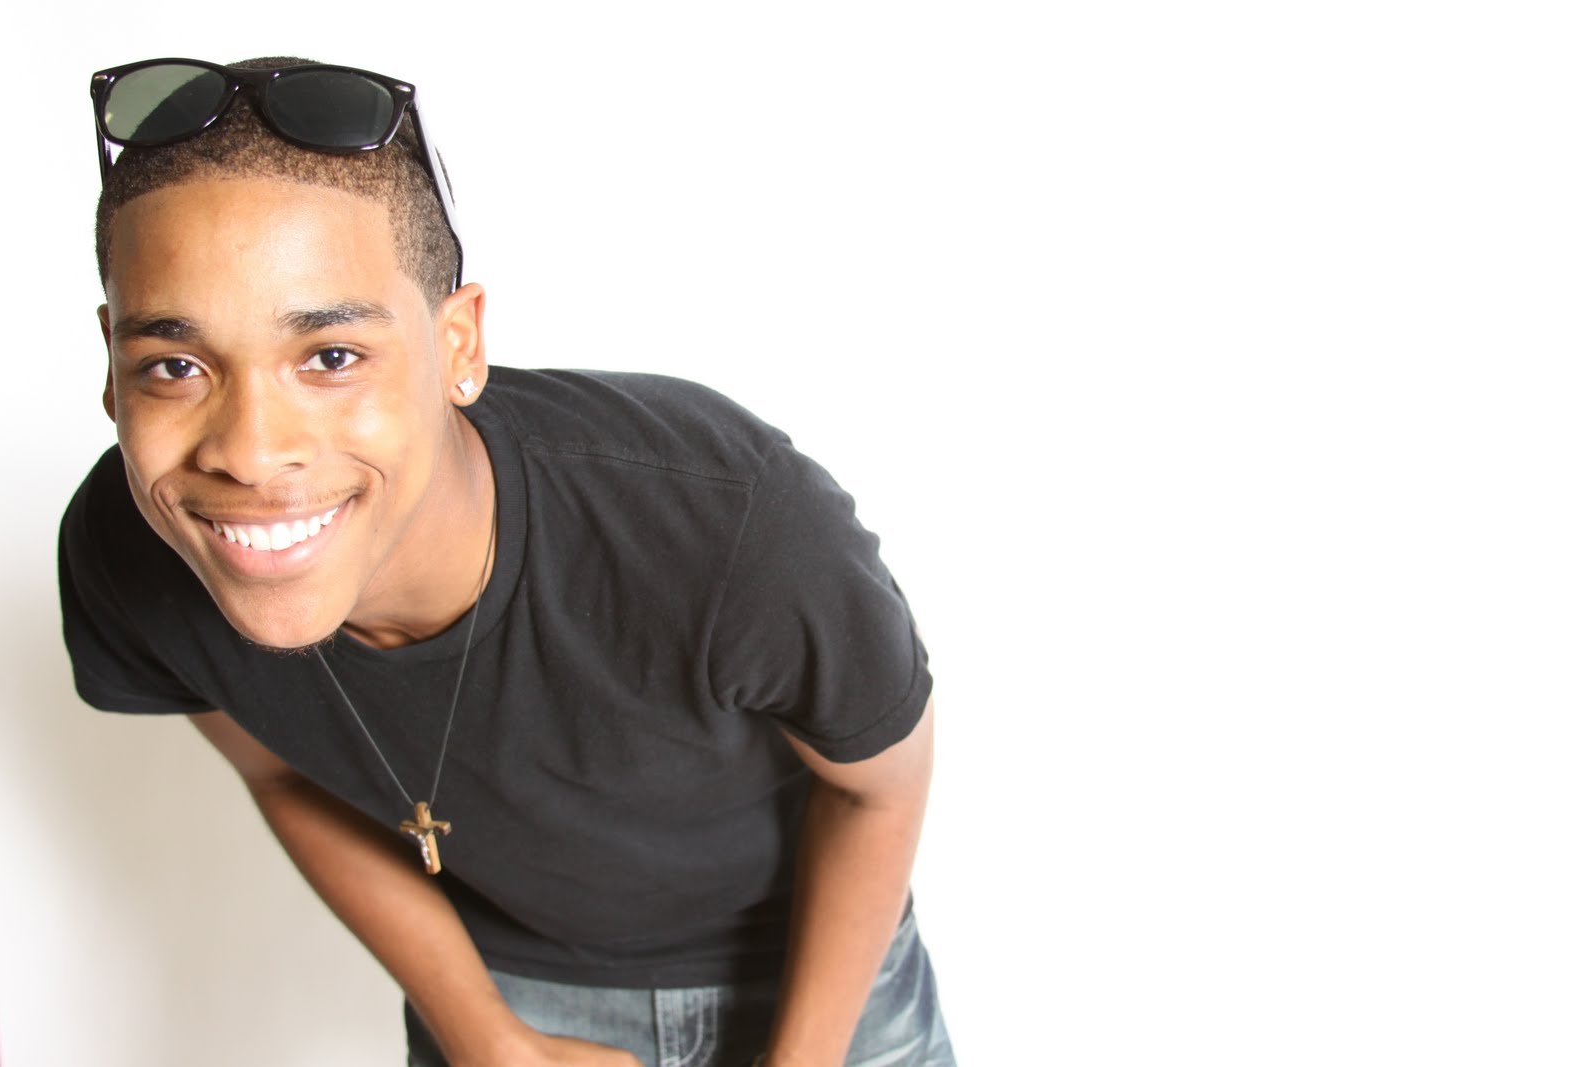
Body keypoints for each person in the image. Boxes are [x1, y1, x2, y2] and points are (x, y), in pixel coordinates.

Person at [59, 56, 955, 1067]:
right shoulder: (127, 552)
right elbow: (278, 774)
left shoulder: (725, 514)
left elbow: (878, 788)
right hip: (511, 981)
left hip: (819, 963)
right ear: (112, 365)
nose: (252, 453)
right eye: (175, 366)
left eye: (331, 357)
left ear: (457, 346)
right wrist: (484, 1032)